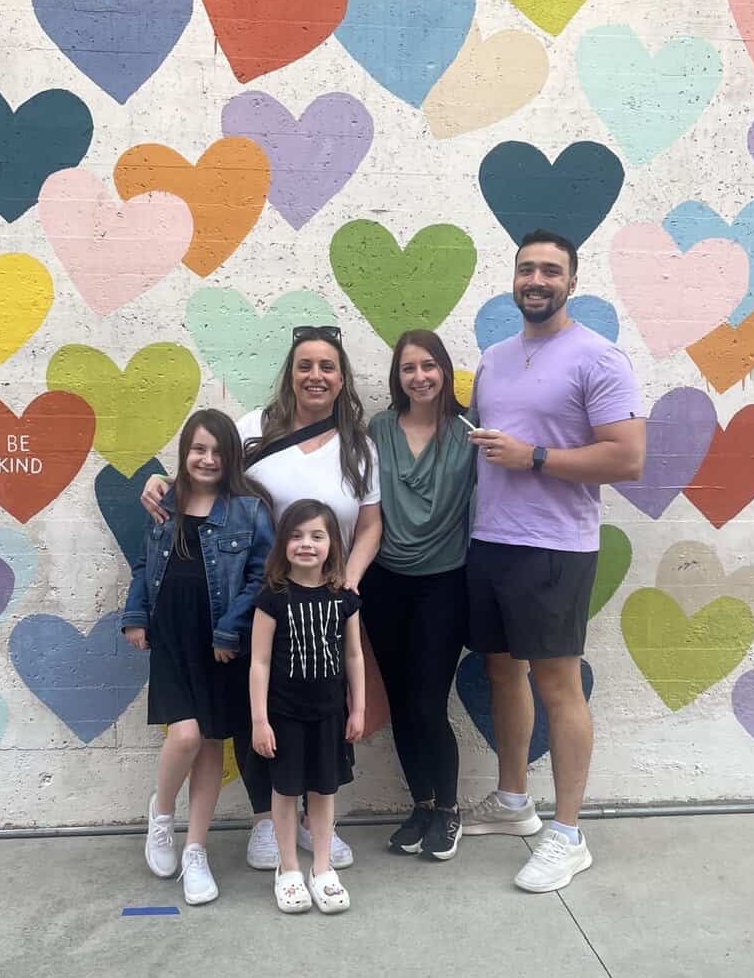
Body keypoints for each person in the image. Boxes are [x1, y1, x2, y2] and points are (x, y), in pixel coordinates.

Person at [141, 327, 381, 872]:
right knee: (264, 711)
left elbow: (370, 525)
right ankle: (263, 821)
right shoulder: (253, 429)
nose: (315, 375)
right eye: (304, 365)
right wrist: (160, 482)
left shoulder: (359, 446)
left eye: (327, 366)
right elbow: (203, 474)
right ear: (289, 374)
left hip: (325, 599)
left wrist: (351, 579)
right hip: (262, 598)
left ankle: (319, 821)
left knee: (323, 707)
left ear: (342, 379)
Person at [463, 229, 646, 893]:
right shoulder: (494, 357)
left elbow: (627, 458)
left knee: (558, 687)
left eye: (550, 270)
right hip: (492, 542)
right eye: (525, 269)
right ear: (513, 279)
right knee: (502, 673)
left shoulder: (599, 358)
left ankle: (568, 836)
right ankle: (515, 802)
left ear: (572, 281)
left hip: (555, 548)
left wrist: (535, 457)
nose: (535, 280)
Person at [122, 409, 274, 904]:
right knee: (185, 736)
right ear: (185, 453)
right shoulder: (164, 500)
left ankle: (195, 849)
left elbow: (261, 576)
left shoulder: (248, 511)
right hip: (172, 638)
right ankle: (162, 814)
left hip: (220, 645)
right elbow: (145, 561)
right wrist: (136, 613)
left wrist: (231, 629)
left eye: (217, 451)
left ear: (232, 456)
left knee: (211, 742)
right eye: (197, 449)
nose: (207, 459)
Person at [361, 330, 475, 862]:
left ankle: (451, 810)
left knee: (429, 702)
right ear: (397, 377)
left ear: (445, 371)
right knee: (404, 704)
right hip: (385, 581)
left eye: (429, 366)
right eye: (409, 368)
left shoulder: (468, 433)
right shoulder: (377, 430)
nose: (420, 377)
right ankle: (422, 804)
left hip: (444, 583)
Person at [250, 500, 366, 913]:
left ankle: (321, 867)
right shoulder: (272, 599)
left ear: (332, 543)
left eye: (317, 536)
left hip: (330, 715)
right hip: (284, 716)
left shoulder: (344, 598)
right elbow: (259, 662)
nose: (306, 544)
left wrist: (357, 710)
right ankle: (289, 870)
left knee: (323, 789)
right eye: (297, 536)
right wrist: (260, 720)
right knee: (285, 790)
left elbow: (354, 657)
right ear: (283, 544)